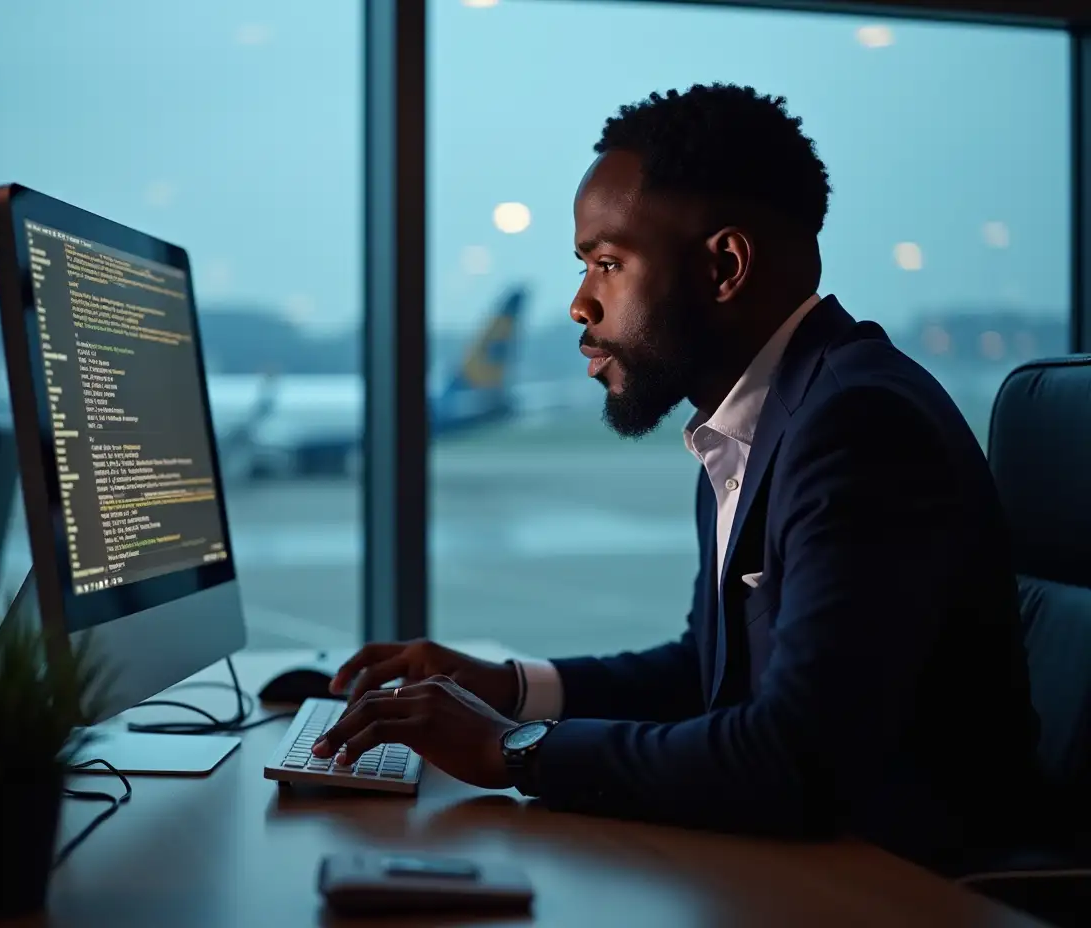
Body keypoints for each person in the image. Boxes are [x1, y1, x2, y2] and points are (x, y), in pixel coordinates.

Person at [312, 83, 1041, 874]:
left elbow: (793, 758)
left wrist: (513, 751)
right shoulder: (753, 422)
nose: (579, 303)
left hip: (902, 889)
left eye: (607, 263)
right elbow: (710, 675)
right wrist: (509, 688)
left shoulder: (858, 425)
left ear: (724, 266)